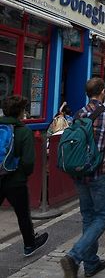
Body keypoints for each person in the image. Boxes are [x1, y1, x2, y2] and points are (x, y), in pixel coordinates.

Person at [60, 77, 105, 278]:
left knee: (88, 216)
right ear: (103, 92)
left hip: (80, 172)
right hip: (100, 172)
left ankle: (91, 264)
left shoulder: (79, 113)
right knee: (102, 216)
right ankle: (74, 255)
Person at [0, 95, 49, 257]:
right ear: (20, 112)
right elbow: (28, 162)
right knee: (23, 215)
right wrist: (22, 174)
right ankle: (29, 244)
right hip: (16, 181)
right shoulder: (24, 131)